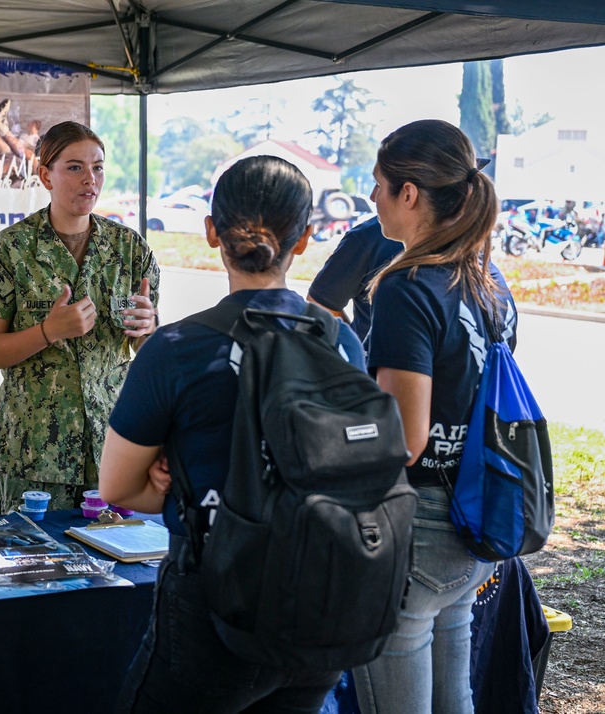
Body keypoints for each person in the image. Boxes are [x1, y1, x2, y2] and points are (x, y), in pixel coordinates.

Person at [99, 155, 364, 712]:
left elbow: (119, 488)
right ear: (306, 239)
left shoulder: (175, 350)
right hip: (320, 606)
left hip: (214, 609)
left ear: (211, 231)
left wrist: (171, 480)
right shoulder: (342, 342)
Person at [353, 119, 518, 714]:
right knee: (455, 699)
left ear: (409, 193)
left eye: (378, 184)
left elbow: (404, 439)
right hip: (476, 520)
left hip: (417, 529)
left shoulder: (408, 286)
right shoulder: (490, 279)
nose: (372, 198)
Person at [0, 121, 160, 514]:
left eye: (98, 167)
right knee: (30, 566)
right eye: (74, 167)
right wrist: (47, 331)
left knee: (113, 566)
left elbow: (147, 348)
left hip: (112, 446)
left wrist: (148, 329)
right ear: (45, 175)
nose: (89, 178)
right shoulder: (10, 250)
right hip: (34, 453)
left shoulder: (130, 250)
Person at [307, 216, 402, 343]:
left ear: (408, 196)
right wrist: (353, 346)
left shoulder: (370, 235)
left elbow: (320, 304)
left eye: (379, 193)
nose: (372, 197)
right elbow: (321, 303)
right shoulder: (370, 235)